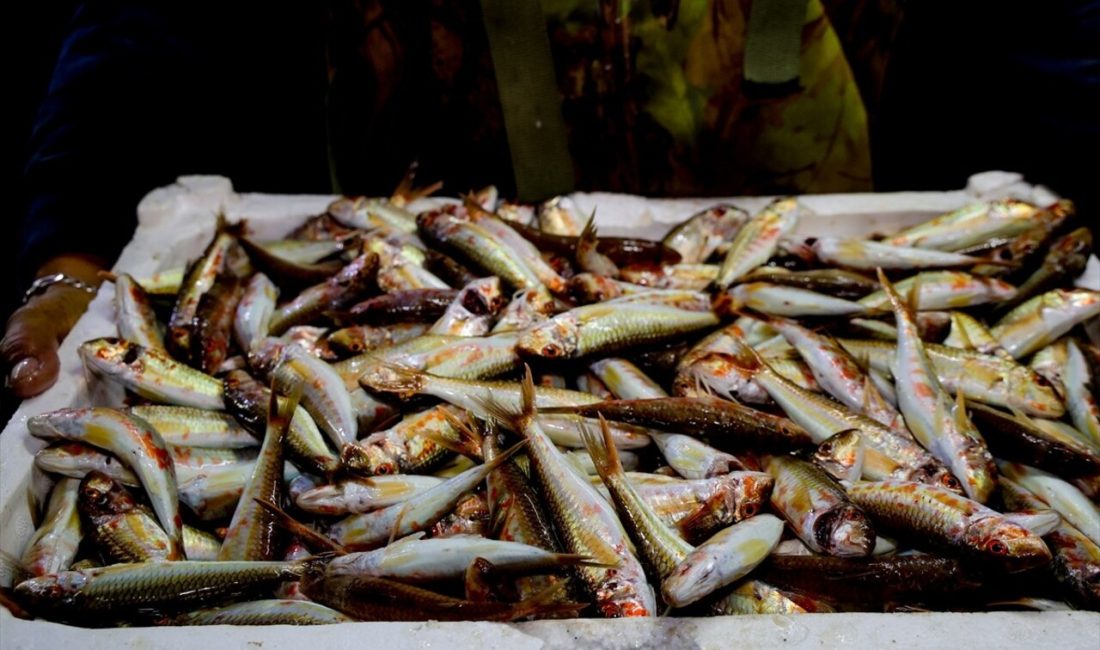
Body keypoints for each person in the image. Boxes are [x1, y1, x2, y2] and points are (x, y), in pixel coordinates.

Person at [6, 0, 1097, 399]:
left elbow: (1048, 28)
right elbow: (151, 20)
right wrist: (74, 247)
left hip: (822, 274)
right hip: (418, 278)